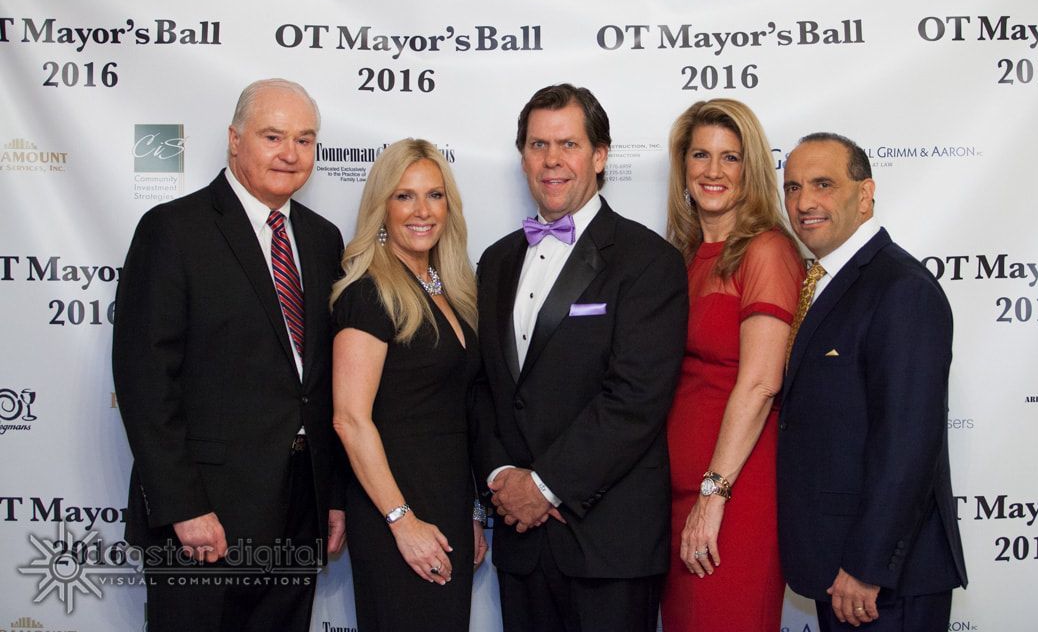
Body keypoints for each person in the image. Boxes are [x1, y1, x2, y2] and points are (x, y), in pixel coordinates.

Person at [113, 78, 346, 632]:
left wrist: (331, 496)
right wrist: (182, 507)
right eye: (273, 136)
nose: (291, 154)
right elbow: (146, 380)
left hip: (297, 507)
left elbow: (323, 383)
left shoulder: (322, 239)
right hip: (203, 516)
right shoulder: (173, 229)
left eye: (306, 139)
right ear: (234, 140)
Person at [470, 83, 688, 632]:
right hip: (521, 541)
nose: (552, 161)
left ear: (599, 155)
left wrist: (541, 487)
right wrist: (502, 478)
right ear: (522, 156)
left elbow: (635, 399)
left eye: (567, 144)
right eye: (538, 145)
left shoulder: (648, 261)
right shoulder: (496, 261)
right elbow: (486, 388)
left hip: (607, 543)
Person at [778, 133, 967, 631]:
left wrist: (866, 566)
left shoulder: (902, 289)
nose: (804, 202)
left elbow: (907, 443)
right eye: (792, 187)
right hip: (839, 570)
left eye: (823, 184)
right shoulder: (824, 281)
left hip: (882, 583)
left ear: (865, 195)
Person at [330, 139, 486, 632]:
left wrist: (472, 510)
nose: (422, 211)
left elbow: (453, 411)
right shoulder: (368, 292)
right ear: (381, 206)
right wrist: (403, 521)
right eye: (404, 196)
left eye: (435, 195)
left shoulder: (450, 288)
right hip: (395, 511)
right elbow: (349, 419)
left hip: (447, 506)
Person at [659, 99, 804, 631]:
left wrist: (712, 495)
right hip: (677, 495)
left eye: (731, 157)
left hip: (732, 497)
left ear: (752, 170)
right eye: (701, 155)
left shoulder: (765, 250)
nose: (713, 171)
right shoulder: (682, 255)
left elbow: (763, 383)